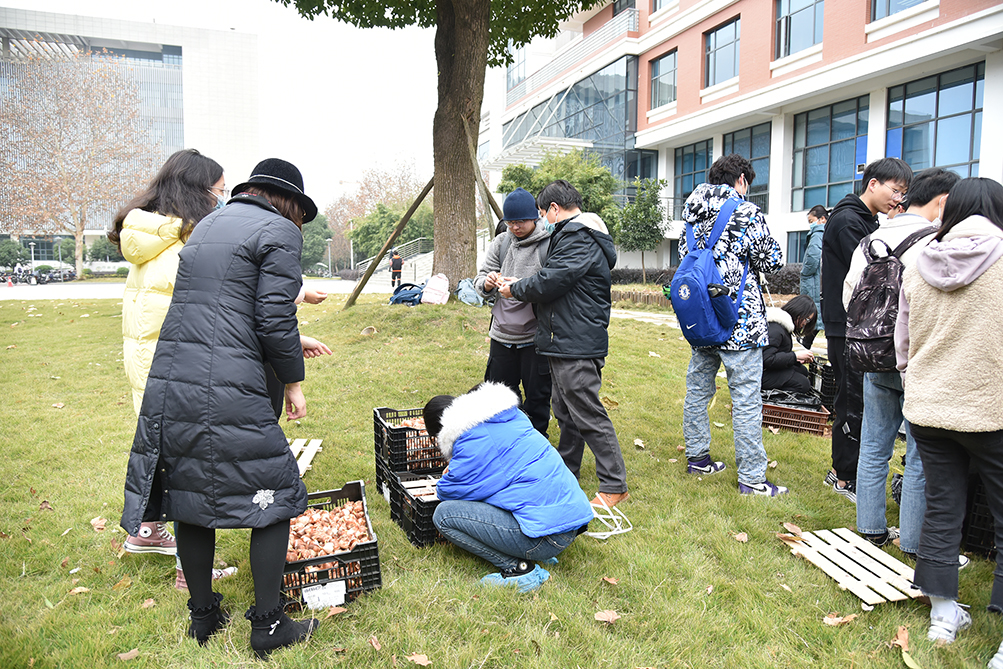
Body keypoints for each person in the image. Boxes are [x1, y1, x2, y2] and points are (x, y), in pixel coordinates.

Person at [120, 159, 324, 657]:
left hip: (174, 376)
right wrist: (294, 382)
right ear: (290, 202)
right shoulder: (279, 231)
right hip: (228, 381)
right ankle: (269, 626)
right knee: (276, 494)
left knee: (191, 493)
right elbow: (273, 317)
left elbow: (224, 307)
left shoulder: (208, 224)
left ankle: (204, 617)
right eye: (300, 212)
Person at [108, 148, 237, 590]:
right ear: (198, 191)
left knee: (160, 451)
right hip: (175, 367)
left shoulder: (148, 232)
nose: (222, 199)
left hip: (146, 363)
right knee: (190, 467)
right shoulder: (184, 242)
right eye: (219, 191)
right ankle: (190, 569)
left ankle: (146, 531)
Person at [894, 178, 1003, 654]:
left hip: (929, 406)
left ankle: (943, 616)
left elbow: (902, 341)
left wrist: (914, 378)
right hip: (991, 407)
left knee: (942, 508)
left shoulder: (917, 261)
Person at [842, 168, 959, 553]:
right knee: (920, 457)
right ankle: (912, 542)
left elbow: (849, 296)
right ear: (942, 200)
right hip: (919, 362)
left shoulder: (870, 240)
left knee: (874, 446)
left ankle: (870, 528)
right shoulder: (937, 243)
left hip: (874, 356)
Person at [501, 180, 629, 513]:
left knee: (586, 412)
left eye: (542, 213)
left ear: (554, 209)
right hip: (563, 340)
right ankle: (566, 472)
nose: (542, 220)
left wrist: (516, 289)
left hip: (576, 342)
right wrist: (521, 284)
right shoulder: (572, 235)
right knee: (566, 412)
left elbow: (551, 281)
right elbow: (554, 280)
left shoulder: (578, 236)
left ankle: (614, 485)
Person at [676, 154, 787, 496]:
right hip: (740, 321)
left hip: (703, 320)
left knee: (697, 391)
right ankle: (752, 478)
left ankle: (698, 458)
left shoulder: (691, 216)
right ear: (741, 179)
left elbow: (685, 257)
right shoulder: (746, 212)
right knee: (746, 399)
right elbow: (773, 261)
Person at [424, 383, 594, 593]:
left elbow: (447, 492)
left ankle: (519, 569)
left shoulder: (472, 442)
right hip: (568, 525)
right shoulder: (511, 418)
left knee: (444, 515)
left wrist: (448, 474)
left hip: (547, 538)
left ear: (442, 431)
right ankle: (533, 551)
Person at [820, 157, 912, 503]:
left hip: (859, 325)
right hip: (848, 326)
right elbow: (875, 270)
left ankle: (846, 472)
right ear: (873, 183)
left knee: (855, 397)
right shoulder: (848, 221)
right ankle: (844, 478)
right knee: (852, 399)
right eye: (895, 190)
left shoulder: (866, 220)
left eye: (903, 193)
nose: (898, 199)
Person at [474, 187, 552, 436]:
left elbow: (550, 286)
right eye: (510, 222)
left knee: (537, 398)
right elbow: (480, 278)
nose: (515, 227)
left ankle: (536, 442)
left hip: (534, 338)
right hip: (502, 336)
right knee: (499, 398)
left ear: (535, 218)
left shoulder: (547, 244)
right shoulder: (501, 242)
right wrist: (488, 283)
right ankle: (505, 441)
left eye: (521, 222)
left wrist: (519, 287)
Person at [762, 295, 816, 394]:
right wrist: (795, 356)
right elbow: (767, 359)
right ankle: (770, 399)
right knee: (803, 384)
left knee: (802, 371)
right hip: (759, 375)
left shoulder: (781, 327)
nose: (805, 323)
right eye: (807, 319)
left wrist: (796, 359)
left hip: (765, 371)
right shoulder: (776, 330)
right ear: (799, 313)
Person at [800, 205, 827, 326]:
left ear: (822, 219)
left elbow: (813, 257)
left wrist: (804, 273)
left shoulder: (817, 234)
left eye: (811, 221)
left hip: (813, 278)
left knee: (812, 307)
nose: (810, 224)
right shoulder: (826, 233)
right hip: (822, 277)